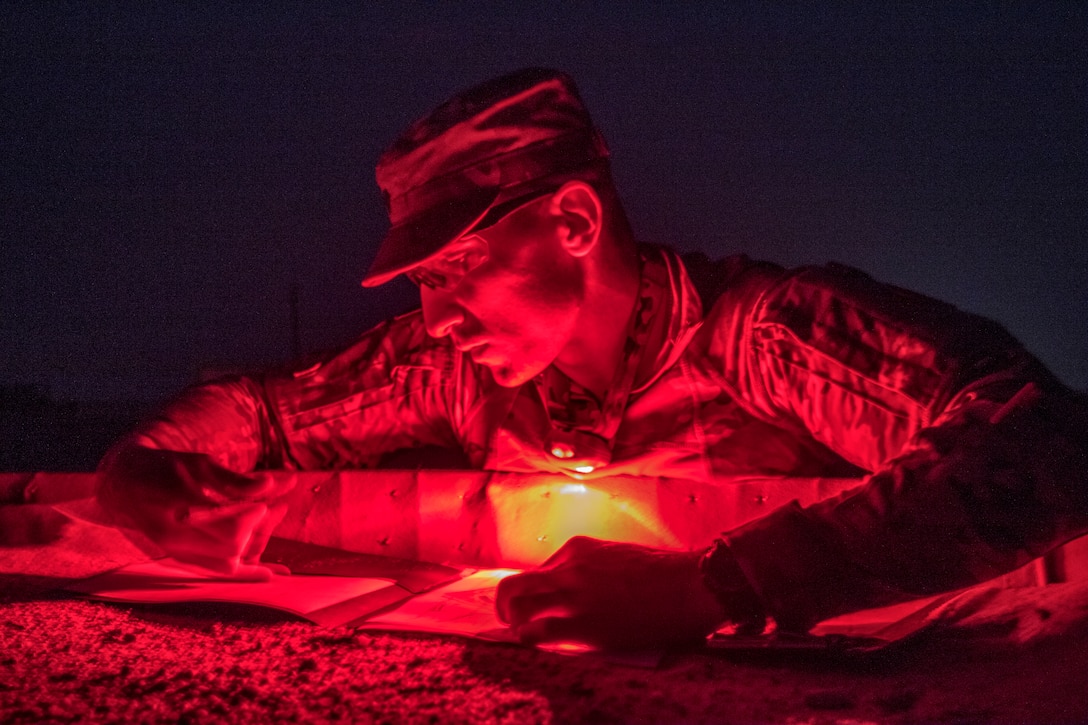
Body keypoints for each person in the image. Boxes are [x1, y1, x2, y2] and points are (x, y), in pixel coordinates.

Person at [98, 68, 1088, 650]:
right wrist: (141, 469)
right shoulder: (449, 367)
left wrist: (714, 586)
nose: (432, 316)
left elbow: (1044, 441)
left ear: (572, 219)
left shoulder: (768, 337)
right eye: (419, 286)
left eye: (454, 271)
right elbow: (262, 410)